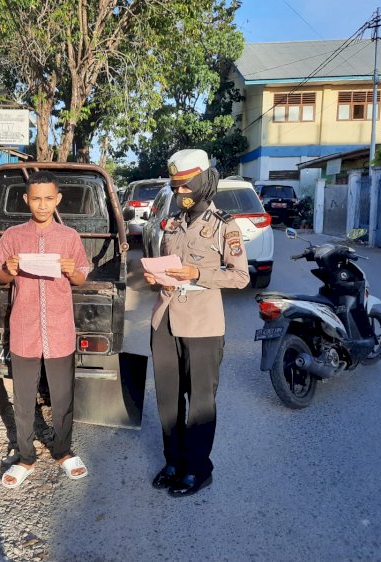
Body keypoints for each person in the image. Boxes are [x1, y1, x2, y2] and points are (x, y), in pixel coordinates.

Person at [144, 149, 249, 497]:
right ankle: (173, 460)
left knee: (201, 401)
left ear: (204, 182)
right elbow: (166, 265)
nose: (180, 193)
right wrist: (156, 277)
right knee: (167, 398)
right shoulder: (172, 224)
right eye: (176, 186)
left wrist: (198, 273)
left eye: (186, 185)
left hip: (203, 324)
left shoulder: (224, 225)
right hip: (165, 319)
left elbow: (240, 277)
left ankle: (198, 468)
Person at [0, 170, 92, 488]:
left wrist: (72, 270)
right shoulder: (12, 236)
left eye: (48, 198)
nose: (42, 204)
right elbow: (0, 277)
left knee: (62, 397)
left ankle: (62, 450)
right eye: (36, 198)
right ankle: (25, 457)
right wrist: (8, 270)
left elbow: (81, 278)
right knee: (23, 399)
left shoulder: (70, 237)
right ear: (26, 200)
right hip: (24, 329)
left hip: (60, 329)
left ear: (58, 199)